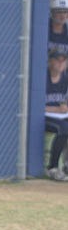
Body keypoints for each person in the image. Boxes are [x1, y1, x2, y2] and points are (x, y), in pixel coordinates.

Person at [45, 48, 68, 181]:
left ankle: (66, 166)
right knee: (63, 128)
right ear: (50, 61)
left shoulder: (65, 79)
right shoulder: (43, 78)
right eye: (58, 60)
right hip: (43, 117)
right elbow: (35, 107)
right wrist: (56, 110)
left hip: (60, 116)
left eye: (63, 60)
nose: (61, 63)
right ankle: (52, 168)